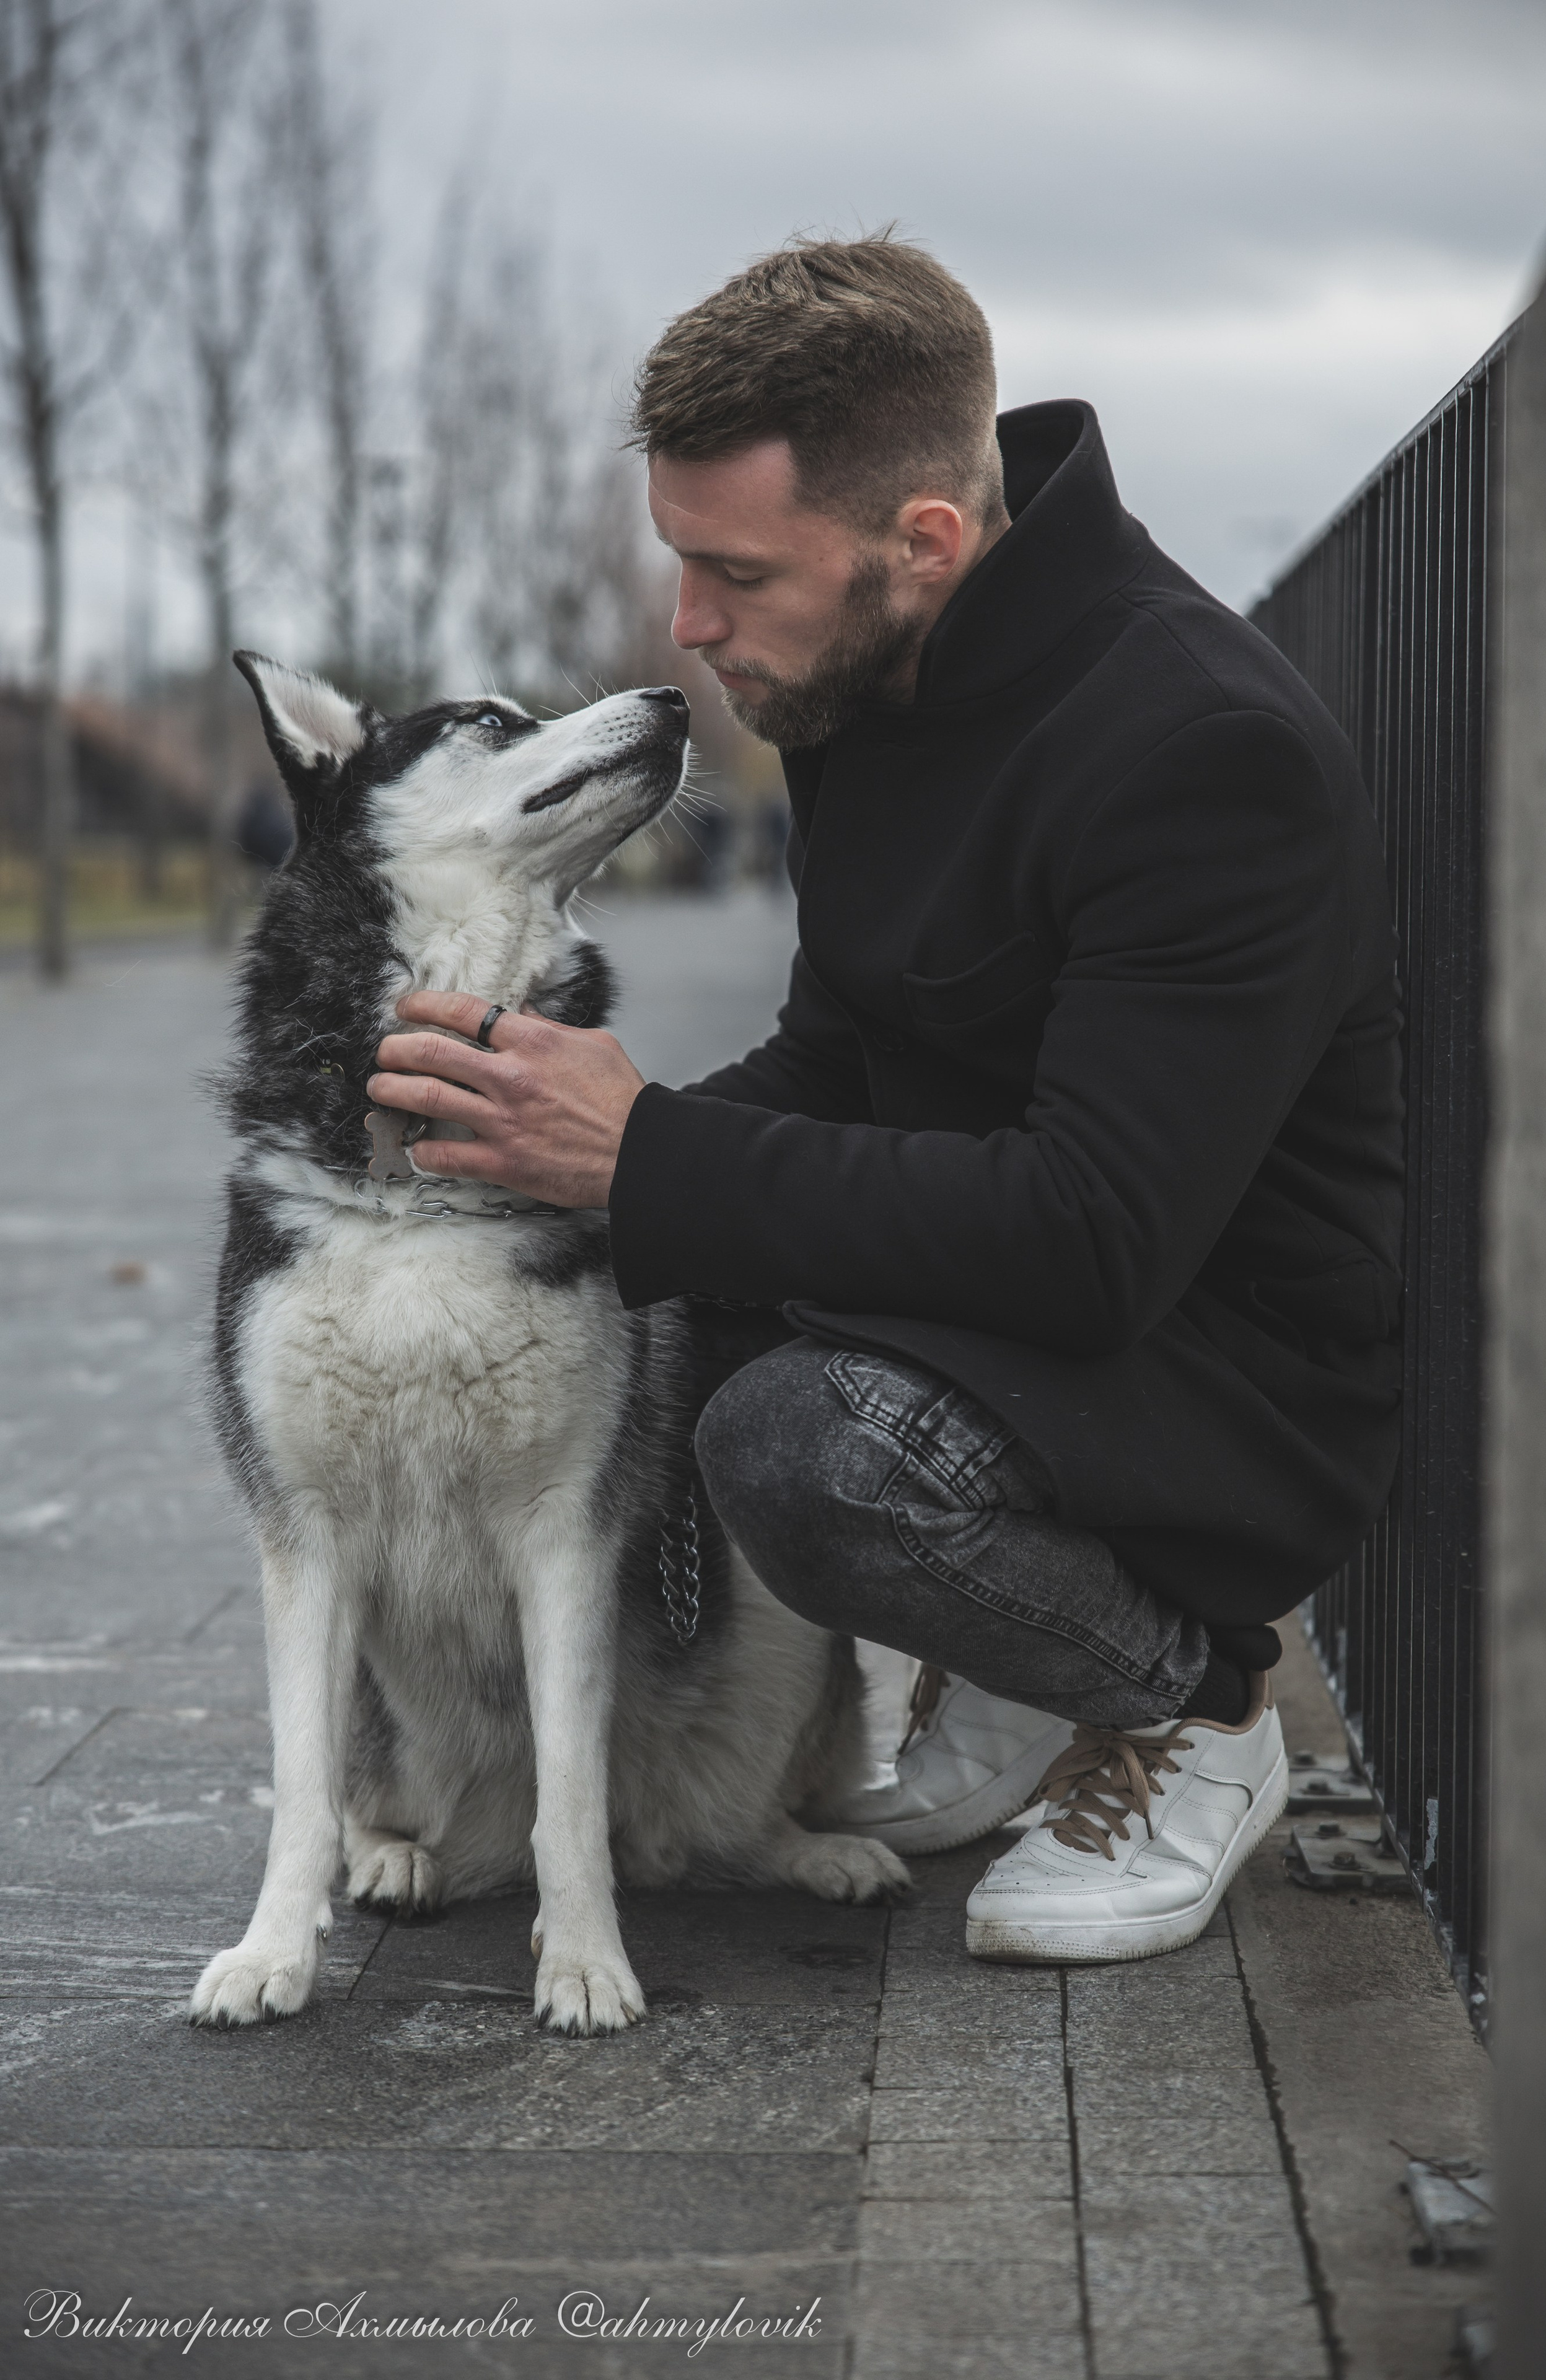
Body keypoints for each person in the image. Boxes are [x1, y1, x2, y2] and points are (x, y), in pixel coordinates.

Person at [367, 235, 1403, 1966]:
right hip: (1028, 1319)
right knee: (644, 1294)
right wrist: (568, 1163)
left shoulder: (1200, 745)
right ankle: (1026, 1656)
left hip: (1219, 1380)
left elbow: (1096, 1239)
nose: (689, 626)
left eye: (733, 572)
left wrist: (655, 1157)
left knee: (802, 1445)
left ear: (925, 541)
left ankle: (1192, 1711)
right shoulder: (876, 683)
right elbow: (839, 1071)